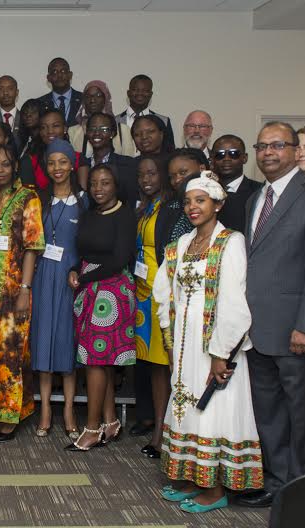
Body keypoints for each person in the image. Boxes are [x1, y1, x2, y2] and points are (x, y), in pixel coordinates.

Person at [237, 122, 305, 508]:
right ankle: (279, 483)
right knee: (270, 415)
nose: (268, 152)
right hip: (259, 331)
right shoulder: (256, 199)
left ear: (296, 151)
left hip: (298, 331)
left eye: (278, 145)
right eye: (262, 146)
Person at [153, 172, 262, 513]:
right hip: (186, 342)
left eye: (200, 201)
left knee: (213, 408)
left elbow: (234, 300)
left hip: (215, 344)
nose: (192, 207)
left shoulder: (231, 242)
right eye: (188, 202)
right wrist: (170, 340)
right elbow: (164, 293)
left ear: (218, 203)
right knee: (186, 406)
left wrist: (221, 354)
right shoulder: (183, 244)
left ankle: (215, 490)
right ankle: (191, 477)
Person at [0, 144, 45, 443]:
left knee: (12, 354)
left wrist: (26, 288)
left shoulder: (28, 198)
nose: (0, 170)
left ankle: (11, 416)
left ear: (14, 166)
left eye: (5, 164)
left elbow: (32, 247)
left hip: (14, 290)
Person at [67, 163, 137, 451]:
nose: (98, 188)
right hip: (89, 289)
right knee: (100, 359)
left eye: (105, 183)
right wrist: (74, 269)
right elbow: (81, 251)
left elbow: (119, 258)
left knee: (96, 360)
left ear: (115, 185)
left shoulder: (124, 215)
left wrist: (84, 276)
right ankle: (110, 421)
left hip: (112, 292)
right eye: (94, 183)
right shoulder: (88, 214)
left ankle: (92, 428)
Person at [30, 139, 86, 438]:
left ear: (72, 164)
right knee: (43, 341)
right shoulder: (38, 200)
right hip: (42, 278)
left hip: (70, 279)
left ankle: (67, 410)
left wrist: (78, 269)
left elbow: (88, 244)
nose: (57, 168)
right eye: (52, 163)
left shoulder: (84, 201)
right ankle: (46, 411)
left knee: (67, 341)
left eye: (63, 162)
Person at [132, 153, 180, 458]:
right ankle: (157, 426)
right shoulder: (145, 207)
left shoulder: (173, 208)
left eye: (152, 173)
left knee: (165, 367)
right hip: (141, 295)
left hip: (162, 296)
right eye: (141, 175)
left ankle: (162, 436)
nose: (146, 179)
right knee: (153, 367)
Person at [19, 109, 88, 190]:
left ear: (65, 128)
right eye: (44, 127)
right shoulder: (29, 162)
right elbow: (28, 198)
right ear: (40, 132)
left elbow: (83, 197)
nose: (50, 131)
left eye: (55, 126)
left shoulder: (79, 159)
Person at [82, 112, 139, 209]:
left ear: (112, 133)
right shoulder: (82, 165)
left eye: (103, 129)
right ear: (87, 133)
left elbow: (132, 202)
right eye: (92, 129)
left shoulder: (127, 164)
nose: (97, 133)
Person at [210, 134, 262, 233]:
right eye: (220, 155)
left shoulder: (259, 191)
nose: (226, 159)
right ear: (212, 159)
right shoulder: (204, 192)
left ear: (245, 158)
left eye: (233, 154)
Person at [116, 75, 174, 151]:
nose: (140, 93)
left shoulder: (164, 121)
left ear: (151, 94)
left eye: (145, 90)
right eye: (135, 90)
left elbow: (169, 151)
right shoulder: (114, 121)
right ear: (128, 93)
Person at [67, 80, 116, 155]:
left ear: (105, 99)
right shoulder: (73, 131)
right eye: (88, 96)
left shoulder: (122, 130)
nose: (92, 100)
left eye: (98, 95)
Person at [37, 58, 82, 126]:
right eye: (54, 72)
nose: (59, 75)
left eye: (63, 71)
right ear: (49, 78)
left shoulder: (83, 99)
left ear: (70, 75)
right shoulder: (39, 103)